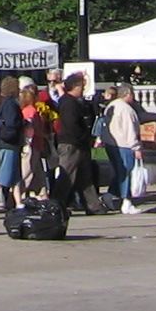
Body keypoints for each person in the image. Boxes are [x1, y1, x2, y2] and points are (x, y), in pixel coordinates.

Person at [52, 71, 98, 212]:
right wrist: (82, 138)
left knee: (85, 178)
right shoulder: (68, 103)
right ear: (75, 87)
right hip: (71, 144)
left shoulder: (72, 102)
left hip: (78, 144)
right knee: (67, 176)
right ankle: (56, 205)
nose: (83, 90)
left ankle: (93, 206)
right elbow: (71, 125)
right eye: (82, 87)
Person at [100, 82, 142, 214]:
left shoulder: (111, 106)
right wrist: (136, 147)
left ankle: (111, 194)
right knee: (126, 173)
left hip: (111, 144)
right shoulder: (126, 110)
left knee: (119, 173)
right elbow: (130, 130)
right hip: (124, 144)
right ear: (128, 94)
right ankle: (126, 201)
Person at [0, 75, 27, 209]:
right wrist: (23, 123)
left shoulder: (4, 103)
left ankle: (18, 202)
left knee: (15, 176)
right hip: (10, 144)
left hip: (8, 143)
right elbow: (12, 123)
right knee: (3, 176)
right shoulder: (11, 104)